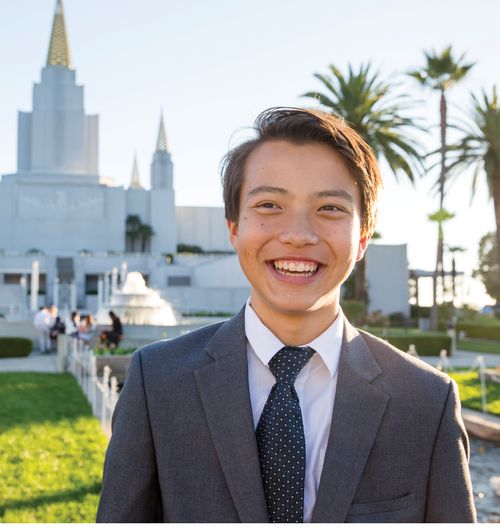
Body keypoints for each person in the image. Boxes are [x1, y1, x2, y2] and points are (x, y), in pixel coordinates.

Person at [97, 108, 476, 522]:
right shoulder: (159, 383)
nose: (297, 234)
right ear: (234, 228)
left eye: (330, 208)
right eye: (269, 205)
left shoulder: (425, 401)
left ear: (363, 236)